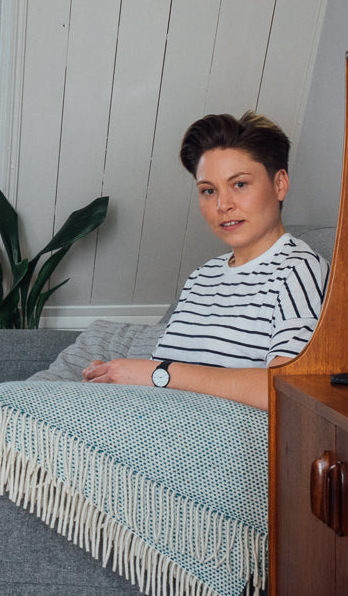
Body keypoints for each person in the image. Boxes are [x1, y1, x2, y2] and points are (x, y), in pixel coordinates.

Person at [82, 110, 329, 410]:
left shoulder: (299, 269)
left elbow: (283, 389)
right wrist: (115, 376)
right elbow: (168, 377)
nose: (223, 205)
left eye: (239, 184)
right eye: (208, 191)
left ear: (279, 184)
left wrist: (157, 373)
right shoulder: (203, 276)